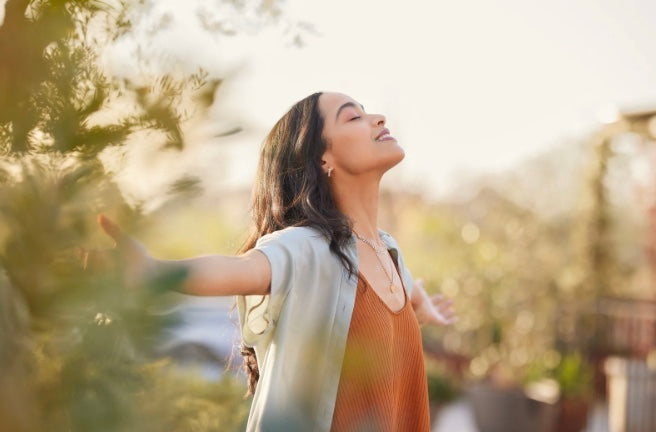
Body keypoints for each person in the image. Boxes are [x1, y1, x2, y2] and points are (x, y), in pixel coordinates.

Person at [98, 92, 457, 431]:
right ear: (322, 159)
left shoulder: (389, 253)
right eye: (354, 117)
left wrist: (421, 307)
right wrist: (154, 272)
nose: (378, 118)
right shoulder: (308, 248)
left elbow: (404, 292)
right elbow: (242, 270)